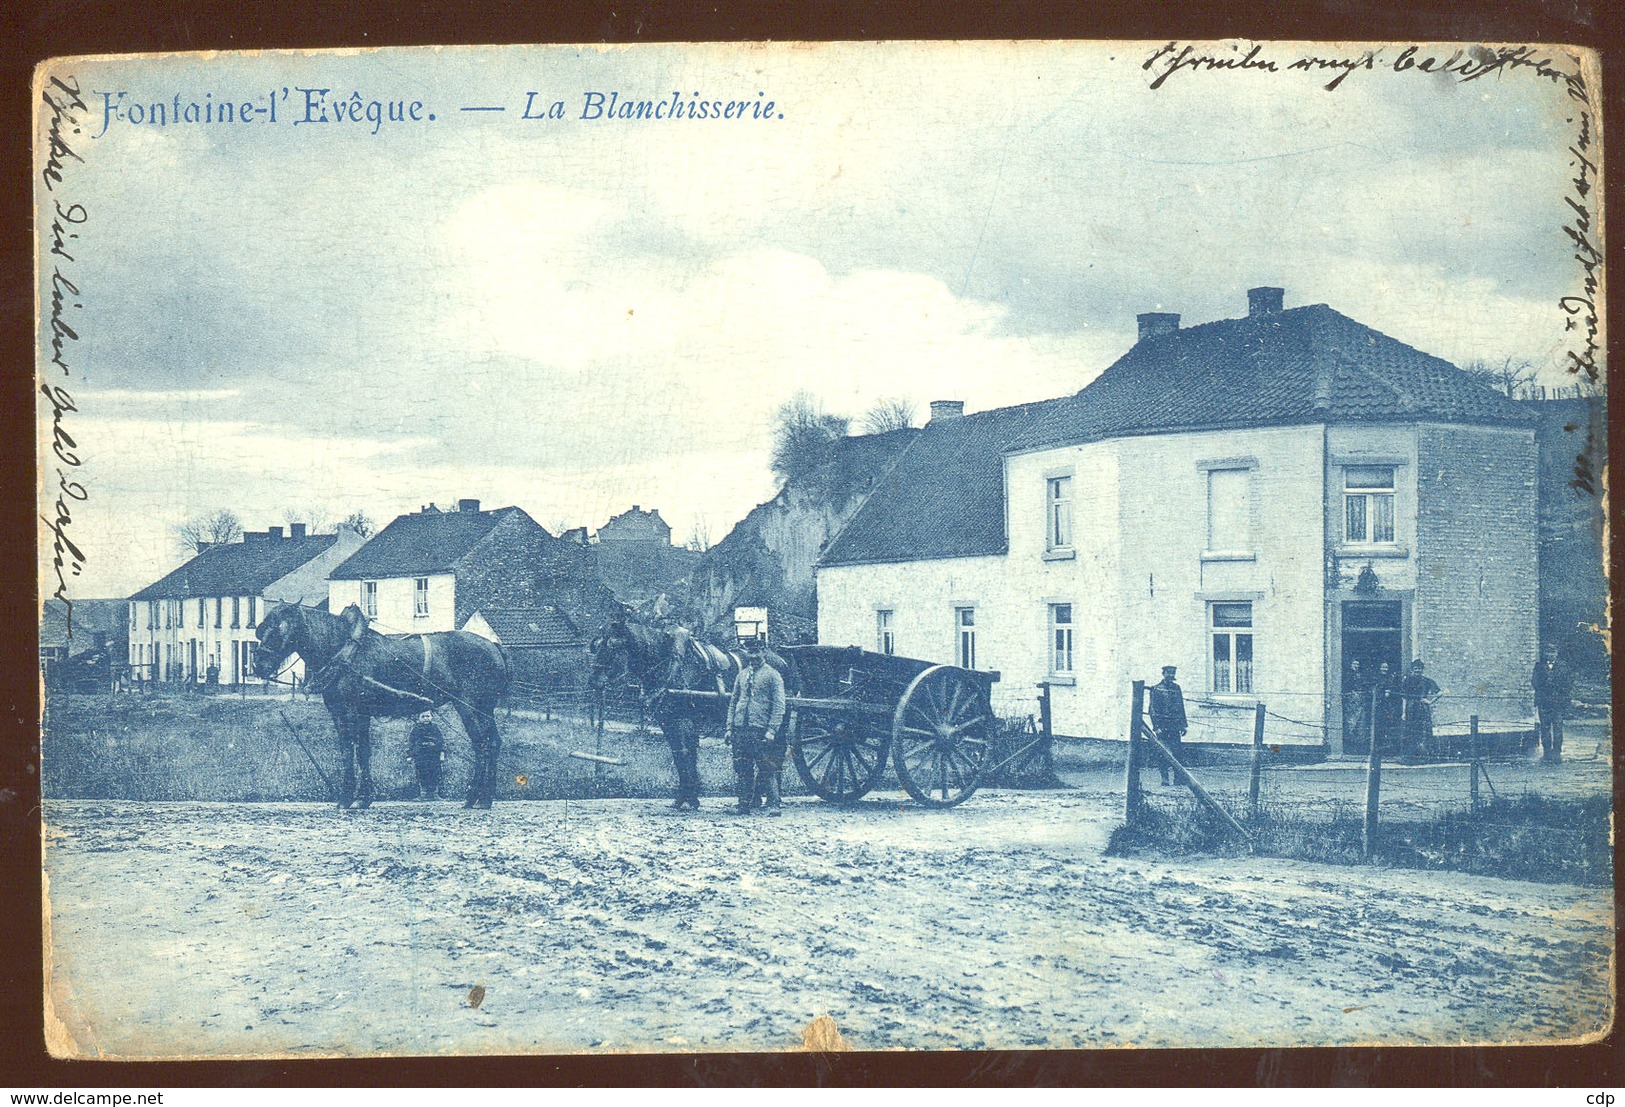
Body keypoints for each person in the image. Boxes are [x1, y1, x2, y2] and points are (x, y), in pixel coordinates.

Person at [724, 638, 787, 815]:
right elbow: (733, 702)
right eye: (750, 652)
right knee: (742, 767)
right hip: (741, 727)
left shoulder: (773, 675)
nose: (753, 656)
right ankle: (744, 804)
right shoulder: (742, 675)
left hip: (760, 727)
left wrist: (771, 730)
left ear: (764, 652)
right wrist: (729, 728)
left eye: (757, 652)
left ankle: (773, 804)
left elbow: (779, 705)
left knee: (766, 767)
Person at [1146, 665, 1188, 787]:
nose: (1171, 675)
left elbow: (1181, 707)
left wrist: (1183, 725)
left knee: (1177, 753)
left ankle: (1177, 779)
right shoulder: (1157, 689)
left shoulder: (1176, 688)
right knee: (1162, 753)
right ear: (1163, 674)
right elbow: (1152, 709)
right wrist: (1156, 727)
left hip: (1175, 726)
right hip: (1162, 726)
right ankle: (1165, 778)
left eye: (1173, 673)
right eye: (1168, 673)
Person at [1532, 643, 1573, 764]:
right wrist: (1545, 688)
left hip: (1557, 704)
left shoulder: (1563, 667)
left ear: (1556, 653)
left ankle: (1557, 753)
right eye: (1548, 653)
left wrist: (1559, 693)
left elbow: (1568, 684)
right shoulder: (1539, 667)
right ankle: (1547, 753)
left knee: (1558, 728)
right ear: (1545, 654)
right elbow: (1535, 682)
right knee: (1545, 728)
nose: (1550, 655)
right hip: (1544, 703)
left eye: (1553, 652)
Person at [1396, 660, 1441, 760]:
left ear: (1422, 669)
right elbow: (1404, 698)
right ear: (1412, 669)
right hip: (1410, 708)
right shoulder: (1407, 680)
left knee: (1424, 730)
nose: (1417, 671)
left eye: (1419, 669)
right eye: (1415, 669)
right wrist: (1403, 712)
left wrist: (1429, 702)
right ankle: (1410, 756)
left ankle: (1425, 755)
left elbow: (1439, 693)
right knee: (1410, 731)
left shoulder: (1427, 681)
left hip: (1422, 708)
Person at [408, 711, 447, 799]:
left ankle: (434, 794)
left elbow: (440, 741)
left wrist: (442, 753)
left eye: (428, 716)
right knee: (422, 772)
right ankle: (423, 794)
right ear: (419, 718)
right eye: (423, 716)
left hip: (433, 754)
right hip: (421, 755)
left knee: (435, 773)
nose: (426, 718)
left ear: (431, 717)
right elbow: (411, 742)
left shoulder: (435, 728)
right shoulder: (416, 728)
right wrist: (410, 755)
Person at [1371, 660, 1401, 756]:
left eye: (1386, 667)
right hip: (1377, 704)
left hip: (1387, 705)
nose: (1385, 669)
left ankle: (1386, 748)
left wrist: (1389, 691)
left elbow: (1392, 690)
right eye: (1383, 667)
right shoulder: (1376, 678)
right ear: (1380, 668)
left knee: (1387, 725)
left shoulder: (1390, 678)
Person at [1343, 658, 1372, 752]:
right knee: (1351, 720)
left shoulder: (1360, 675)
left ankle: (1360, 741)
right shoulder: (1347, 675)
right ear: (1351, 665)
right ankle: (1350, 739)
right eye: (1354, 664)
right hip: (1352, 699)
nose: (1356, 666)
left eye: (1357, 664)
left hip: (1360, 698)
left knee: (1361, 719)